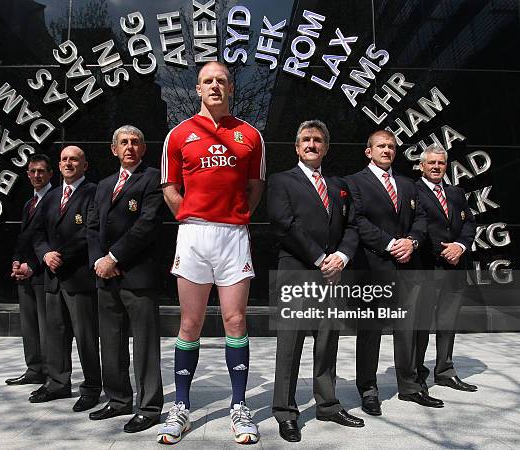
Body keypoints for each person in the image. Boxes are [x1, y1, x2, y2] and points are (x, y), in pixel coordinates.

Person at [157, 61, 266, 445]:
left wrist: (236, 217)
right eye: (208, 81)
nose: (215, 86)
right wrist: (190, 216)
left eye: (221, 80)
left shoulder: (250, 135)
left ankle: (239, 407)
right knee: (190, 324)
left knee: (236, 321)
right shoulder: (179, 134)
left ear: (231, 88)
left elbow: (255, 185)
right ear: (198, 89)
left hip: (233, 236)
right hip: (194, 236)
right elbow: (170, 187)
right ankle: (181, 407)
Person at [268, 120, 363, 443]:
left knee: (327, 341)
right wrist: (321, 259)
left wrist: (342, 257)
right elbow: (284, 224)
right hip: (297, 271)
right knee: (290, 344)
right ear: (297, 147)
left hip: (334, 274)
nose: (311, 144)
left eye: (318, 140)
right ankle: (285, 411)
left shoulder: (339, 185)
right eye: (306, 140)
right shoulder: (281, 181)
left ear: (325, 147)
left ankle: (328, 403)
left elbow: (352, 227)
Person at [345, 130, 441, 415]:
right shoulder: (354, 183)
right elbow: (357, 220)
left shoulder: (408, 185)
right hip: (372, 266)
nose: (386, 150)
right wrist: (389, 244)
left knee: (407, 330)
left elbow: (422, 219)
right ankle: (368, 389)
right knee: (371, 331)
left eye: (391, 146)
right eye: (381, 146)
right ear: (368, 151)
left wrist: (411, 241)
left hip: (407, 266)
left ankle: (410, 386)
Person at [86, 125, 164, 432]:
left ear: (143, 149)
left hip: (138, 275)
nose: (129, 147)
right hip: (105, 276)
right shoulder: (103, 185)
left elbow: (147, 225)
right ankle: (118, 400)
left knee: (145, 345)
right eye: (123, 142)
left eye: (135, 143)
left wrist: (113, 258)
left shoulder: (153, 178)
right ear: (114, 149)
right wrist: (98, 261)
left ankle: (149, 407)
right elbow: (91, 227)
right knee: (111, 341)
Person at [29, 145, 102, 412]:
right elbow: (36, 233)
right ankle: (58, 383)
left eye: (74, 160)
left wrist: (61, 255)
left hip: (79, 277)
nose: (68, 163)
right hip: (52, 277)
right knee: (55, 335)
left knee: (86, 337)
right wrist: (45, 254)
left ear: (84, 165)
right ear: (58, 166)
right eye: (64, 160)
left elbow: (91, 232)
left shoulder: (93, 192)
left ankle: (92, 387)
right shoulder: (51, 196)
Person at [415, 144, 478, 392]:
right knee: (420, 324)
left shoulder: (456, 192)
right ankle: (417, 373)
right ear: (422, 165)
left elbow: (469, 223)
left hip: (455, 267)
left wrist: (460, 246)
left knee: (448, 321)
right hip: (428, 266)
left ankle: (444, 371)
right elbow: (418, 227)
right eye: (431, 163)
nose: (436, 167)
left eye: (440, 163)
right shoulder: (414, 191)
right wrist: (443, 250)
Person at [6, 154, 53, 386]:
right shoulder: (29, 203)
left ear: (50, 174)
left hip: (44, 273)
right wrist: (16, 261)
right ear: (27, 174)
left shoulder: (55, 199)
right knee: (29, 326)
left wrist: (32, 266)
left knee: (46, 329)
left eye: (41, 171)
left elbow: (52, 239)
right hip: (23, 275)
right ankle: (34, 370)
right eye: (33, 171)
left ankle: (51, 374)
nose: (37, 175)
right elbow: (24, 238)